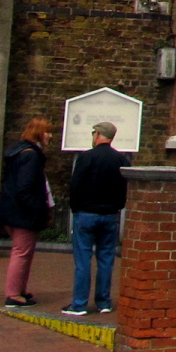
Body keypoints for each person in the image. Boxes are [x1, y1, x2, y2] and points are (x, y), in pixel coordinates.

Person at [64, 121, 131, 316]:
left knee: (83, 260)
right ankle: (104, 302)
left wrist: (75, 208)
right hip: (110, 215)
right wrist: (118, 206)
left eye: (94, 132)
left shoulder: (86, 157)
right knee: (106, 260)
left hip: (86, 213)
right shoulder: (121, 159)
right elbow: (125, 186)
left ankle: (79, 304)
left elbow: (76, 186)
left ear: (98, 134)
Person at [0, 117, 53, 307]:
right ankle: (13, 293)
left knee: (24, 252)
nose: (50, 135)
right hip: (23, 213)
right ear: (38, 133)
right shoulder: (31, 156)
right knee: (21, 252)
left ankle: (19, 290)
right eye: (47, 131)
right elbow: (25, 187)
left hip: (12, 210)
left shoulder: (19, 152)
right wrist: (37, 209)